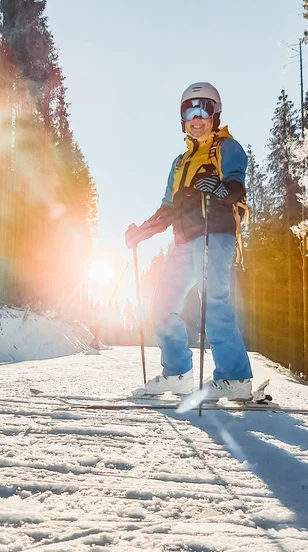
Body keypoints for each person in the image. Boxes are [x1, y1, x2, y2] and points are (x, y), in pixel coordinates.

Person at [125, 82, 253, 401]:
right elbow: (168, 207)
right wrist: (143, 230)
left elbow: (237, 184)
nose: (197, 117)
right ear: (182, 118)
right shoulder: (179, 164)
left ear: (215, 114)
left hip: (215, 234)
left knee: (214, 302)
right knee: (162, 306)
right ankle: (178, 374)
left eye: (204, 109)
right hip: (183, 243)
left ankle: (235, 378)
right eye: (189, 110)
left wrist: (222, 191)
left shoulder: (226, 147)